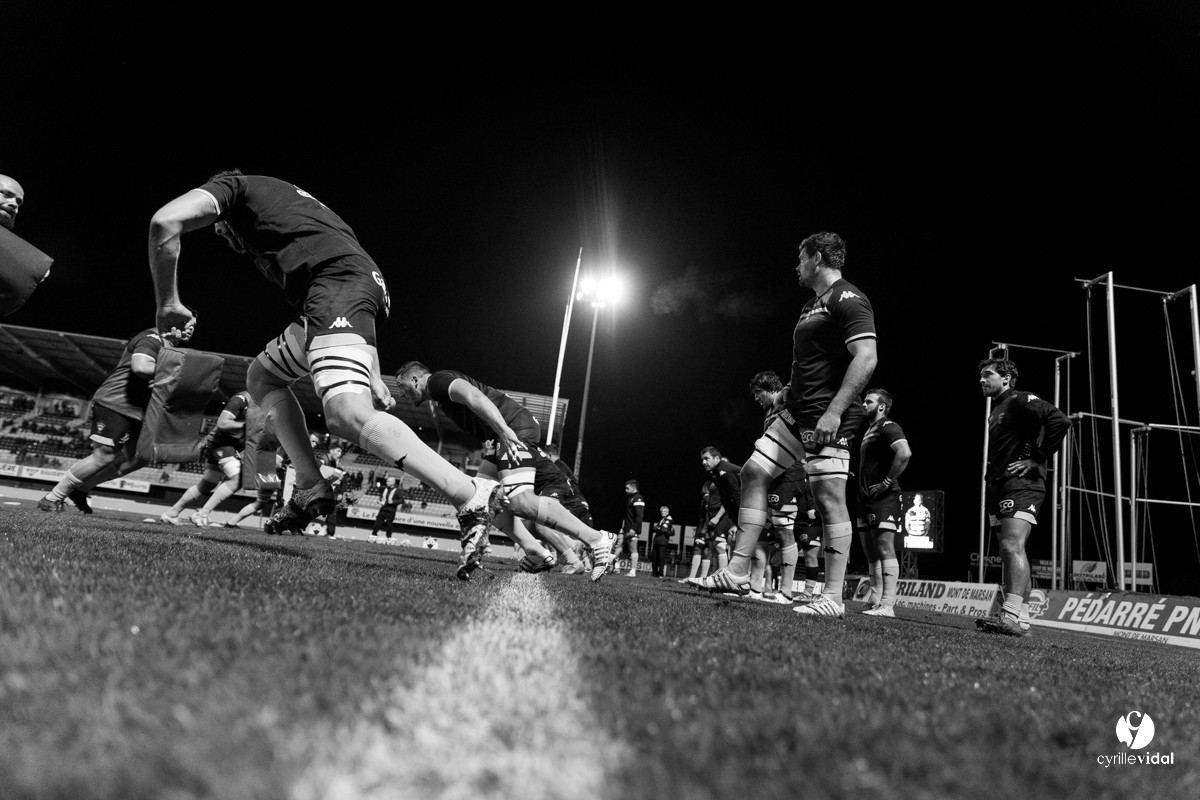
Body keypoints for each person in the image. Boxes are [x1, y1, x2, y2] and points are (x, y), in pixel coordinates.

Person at [148, 170, 503, 554]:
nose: (225, 237)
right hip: (354, 288)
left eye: (221, 227)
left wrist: (168, 303)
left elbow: (165, 222)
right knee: (262, 377)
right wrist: (371, 367)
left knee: (346, 414)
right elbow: (347, 264)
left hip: (337, 286)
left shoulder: (236, 188)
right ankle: (308, 484)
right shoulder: (288, 201)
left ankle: (469, 494)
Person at [696, 232, 877, 620]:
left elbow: (866, 358)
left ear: (817, 257)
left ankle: (832, 597)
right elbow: (814, 363)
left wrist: (833, 412)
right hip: (797, 412)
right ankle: (738, 571)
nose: (796, 264)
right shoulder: (811, 306)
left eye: (800, 256)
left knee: (829, 498)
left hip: (828, 415)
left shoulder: (849, 298)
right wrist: (784, 395)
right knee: (753, 473)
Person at [395, 361, 616, 580]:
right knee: (481, 499)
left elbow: (475, 397)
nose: (401, 394)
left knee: (521, 502)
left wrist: (504, 430)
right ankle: (536, 551)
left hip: (512, 427)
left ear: (414, 379)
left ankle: (597, 539)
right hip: (501, 432)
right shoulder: (438, 391)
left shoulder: (436, 382)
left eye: (401, 386)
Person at [38, 324, 196, 513]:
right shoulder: (151, 338)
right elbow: (141, 367)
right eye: (187, 323)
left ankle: (81, 489)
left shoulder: (172, 350)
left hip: (140, 412)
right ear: (172, 320)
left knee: (139, 458)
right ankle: (51, 498)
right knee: (104, 456)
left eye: (194, 326)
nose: (191, 329)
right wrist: (168, 375)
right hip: (116, 403)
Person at [976, 357, 1070, 636]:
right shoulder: (997, 410)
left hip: (1021, 484)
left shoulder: (1019, 399)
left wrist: (1037, 458)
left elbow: (1060, 420)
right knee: (1010, 552)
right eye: (980, 375)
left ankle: (1010, 614)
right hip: (998, 485)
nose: (981, 379)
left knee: (1011, 545)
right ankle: (1022, 619)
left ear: (1006, 378)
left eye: (988, 374)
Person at [855, 388, 912, 617]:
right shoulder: (869, 430)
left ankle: (888, 605)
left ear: (881, 406)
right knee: (870, 553)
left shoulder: (888, 426)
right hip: (864, 499)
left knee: (884, 548)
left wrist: (887, 482)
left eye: (868, 402)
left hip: (884, 498)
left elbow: (905, 453)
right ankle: (875, 600)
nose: (863, 405)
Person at [161, 390, 250, 527]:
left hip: (230, 447)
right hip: (221, 444)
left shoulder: (265, 406)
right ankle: (202, 514)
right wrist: (247, 426)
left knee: (208, 484)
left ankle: (172, 513)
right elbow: (222, 423)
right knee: (237, 479)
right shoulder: (241, 399)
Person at [694, 447, 740, 584]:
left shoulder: (724, 470)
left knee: (739, 546)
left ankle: (735, 581)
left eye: (706, 458)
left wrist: (739, 520)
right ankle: (723, 578)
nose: (703, 462)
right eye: (702, 459)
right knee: (727, 546)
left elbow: (737, 495)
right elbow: (727, 498)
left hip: (749, 509)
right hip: (733, 514)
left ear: (717, 459)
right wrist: (733, 522)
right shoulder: (714, 474)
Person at [618, 480, 646, 576]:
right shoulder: (631, 498)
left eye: (627, 488)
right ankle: (615, 568)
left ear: (634, 488)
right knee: (617, 546)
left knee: (632, 548)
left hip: (632, 529)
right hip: (625, 528)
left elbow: (639, 516)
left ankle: (633, 571)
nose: (625, 490)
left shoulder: (638, 499)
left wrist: (634, 528)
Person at [371, 475, 404, 541]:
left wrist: (393, 502)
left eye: (388, 481)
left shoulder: (397, 491)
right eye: (387, 481)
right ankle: (374, 535)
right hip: (383, 509)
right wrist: (380, 501)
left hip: (391, 511)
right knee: (377, 523)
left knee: (389, 525)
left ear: (393, 482)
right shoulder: (385, 489)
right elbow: (382, 497)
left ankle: (389, 537)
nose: (386, 482)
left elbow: (401, 500)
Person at [650, 505, 674, 577]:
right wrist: (659, 528)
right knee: (654, 557)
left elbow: (662, 529)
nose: (662, 513)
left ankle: (660, 573)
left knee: (661, 558)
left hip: (662, 541)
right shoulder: (662, 520)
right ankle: (655, 572)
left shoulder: (668, 519)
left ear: (667, 512)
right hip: (657, 541)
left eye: (664, 511)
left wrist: (659, 527)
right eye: (661, 511)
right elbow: (653, 529)